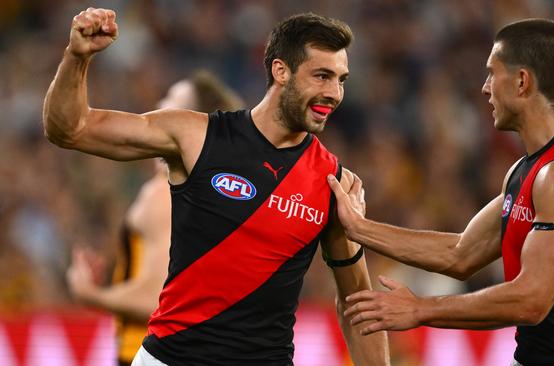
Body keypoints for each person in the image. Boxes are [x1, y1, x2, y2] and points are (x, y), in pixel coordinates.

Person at [43, 7, 389, 366]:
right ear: (280, 70)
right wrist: (76, 58)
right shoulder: (196, 136)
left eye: (341, 79)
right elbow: (70, 129)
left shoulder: (335, 183)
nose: (334, 93)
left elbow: (356, 302)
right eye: (321, 76)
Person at [328, 18, 554, 365]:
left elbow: (531, 300)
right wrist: (359, 228)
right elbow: (460, 253)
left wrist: (421, 309)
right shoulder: (528, 170)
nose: (485, 88)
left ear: (521, 81)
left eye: (491, 73)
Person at [65, 70, 244, 366]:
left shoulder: (163, 195)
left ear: (192, 121)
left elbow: (156, 300)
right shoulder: (213, 195)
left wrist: (91, 294)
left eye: (171, 103)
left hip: (150, 352)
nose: (159, 107)